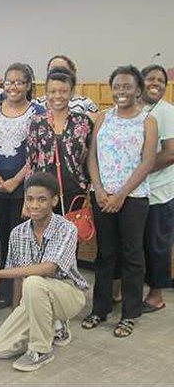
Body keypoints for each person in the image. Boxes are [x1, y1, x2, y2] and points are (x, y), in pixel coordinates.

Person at [0, 172, 88, 372]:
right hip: (34, 296)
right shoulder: (18, 233)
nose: (34, 205)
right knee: (0, 348)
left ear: (54, 201)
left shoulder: (66, 228)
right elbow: (17, 277)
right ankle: (52, 325)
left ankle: (41, 349)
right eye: (30, 199)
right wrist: (18, 311)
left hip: (68, 295)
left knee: (33, 281)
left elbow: (48, 269)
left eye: (42, 200)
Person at [82, 65, 157, 338]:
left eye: (127, 86)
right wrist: (99, 189)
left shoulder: (147, 120)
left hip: (133, 198)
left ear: (138, 90)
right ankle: (100, 308)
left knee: (132, 255)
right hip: (101, 196)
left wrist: (122, 194)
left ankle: (130, 313)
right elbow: (93, 156)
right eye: (117, 86)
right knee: (105, 254)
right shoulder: (103, 118)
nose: (121, 91)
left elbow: (148, 161)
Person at [0, 63, 45, 309]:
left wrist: (15, 180)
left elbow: (38, 152)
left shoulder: (37, 111)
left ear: (29, 85)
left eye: (19, 82)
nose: (13, 86)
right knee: (0, 241)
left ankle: (22, 294)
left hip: (24, 189)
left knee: (22, 240)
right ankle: (4, 291)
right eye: (9, 82)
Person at [25, 67, 93, 213]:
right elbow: (31, 161)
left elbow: (92, 157)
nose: (57, 96)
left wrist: (88, 187)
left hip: (76, 191)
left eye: (63, 91)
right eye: (52, 91)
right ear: (46, 93)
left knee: (74, 234)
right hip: (43, 194)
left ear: (72, 92)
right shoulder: (36, 122)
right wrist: (28, 198)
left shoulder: (83, 122)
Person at [140, 64, 174, 312]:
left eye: (161, 80)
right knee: (134, 245)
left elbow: (170, 154)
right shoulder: (134, 109)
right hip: (135, 191)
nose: (156, 83)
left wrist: (138, 172)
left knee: (156, 244)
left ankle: (155, 295)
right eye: (150, 78)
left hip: (160, 191)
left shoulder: (167, 112)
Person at [32, 55, 99, 116]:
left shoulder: (86, 104)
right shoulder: (36, 104)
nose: (57, 74)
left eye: (62, 70)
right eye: (53, 70)